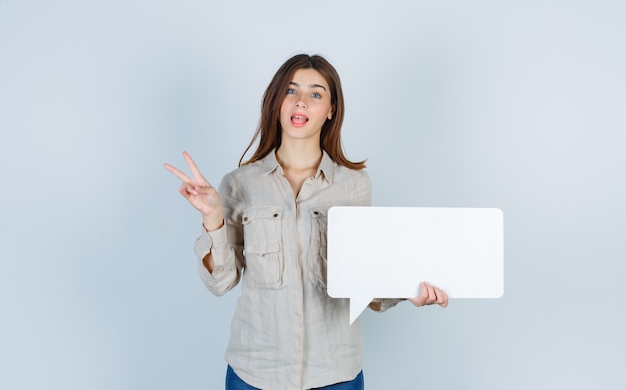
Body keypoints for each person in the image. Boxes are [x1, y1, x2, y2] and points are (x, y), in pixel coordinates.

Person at [164, 54, 448, 390]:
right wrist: (212, 217)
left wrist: (408, 290)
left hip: (335, 374)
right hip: (255, 373)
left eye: (316, 94)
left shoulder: (354, 185)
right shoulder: (239, 184)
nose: (301, 101)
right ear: (276, 102)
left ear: (331, 109)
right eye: (291, 90)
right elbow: (221, 282)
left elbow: (366, 282)